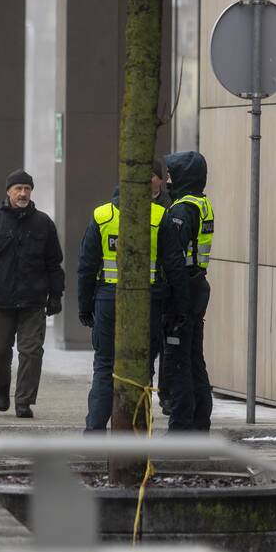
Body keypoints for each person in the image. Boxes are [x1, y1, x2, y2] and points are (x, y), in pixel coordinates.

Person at [77, 181, 188, 432]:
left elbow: (86, 266)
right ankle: (135, 433)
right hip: (147, 302)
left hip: (107, 301)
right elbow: (175, 267)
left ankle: (94, 432)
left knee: (105, 366)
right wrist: (178, 309)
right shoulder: (159, 216)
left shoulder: (102, 216)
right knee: (142, 367)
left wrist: (85, 307)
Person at [0, 170, 64, 419]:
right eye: (18, 188)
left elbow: (54, 262)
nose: (23, 193)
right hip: (0, 301)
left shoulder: (44, 223)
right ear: (8, 191)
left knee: (31, 352)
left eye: (27, 189)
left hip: (33, 301)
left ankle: (24, 401)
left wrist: (56, 294)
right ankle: (1, 386)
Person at [163, 151, 214, 431]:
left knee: (179, 362)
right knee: (194, 360)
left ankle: (181, 429)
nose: (168, 179)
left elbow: (174, 258)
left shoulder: (182, 210)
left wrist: (176, 305)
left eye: (172, 174)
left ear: (184, 176)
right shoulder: (202, 203)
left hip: (184, 292)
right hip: (197, 288)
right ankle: (199, 424)